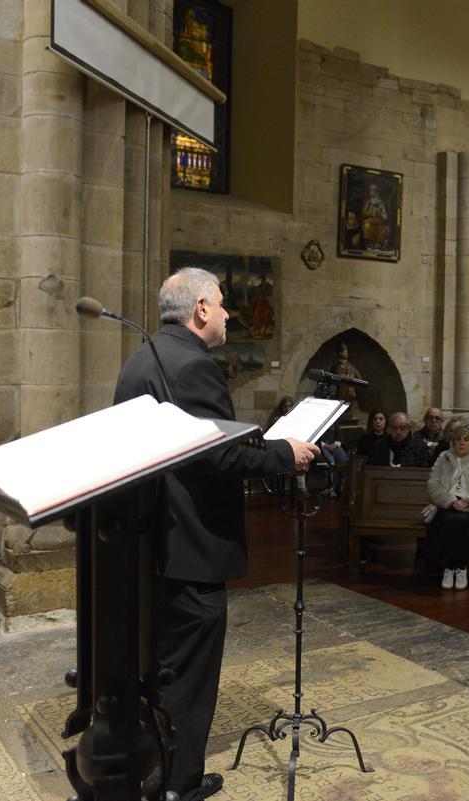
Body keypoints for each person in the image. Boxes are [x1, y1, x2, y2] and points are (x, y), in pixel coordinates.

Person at [113, 268, 317, 801]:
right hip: (190, 546)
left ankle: (154, 772)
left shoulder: (141, 359)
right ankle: (177, 784)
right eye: (223, 304)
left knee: (160, 665)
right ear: (201, 308)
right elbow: (218, 454)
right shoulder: (194, 365)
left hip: (149, 542)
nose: (228, 314)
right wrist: (283, 452)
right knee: (189, 676)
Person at [426, 426, 469, 590]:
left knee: (464, 520)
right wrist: (451, 501)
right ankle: (449, 568)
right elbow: (432, 485)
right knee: (446, 519)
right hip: (447, 504)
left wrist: (467, 501)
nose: (462, 443)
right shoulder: (444, 458)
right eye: (458, 439)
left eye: (466, 440)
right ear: (452, 441)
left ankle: (461, 567)